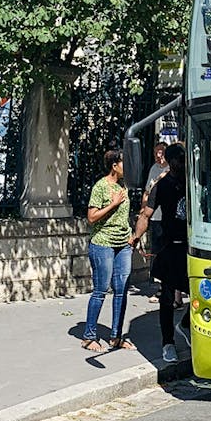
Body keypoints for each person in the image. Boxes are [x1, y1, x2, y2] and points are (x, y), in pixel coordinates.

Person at [132, 143, 190, 364]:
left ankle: (185, 324)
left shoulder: (193, 181)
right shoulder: (162, 186)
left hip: (191, 246)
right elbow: (146, 215)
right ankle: (168, 343)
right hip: (169, 246)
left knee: (201, 293)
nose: (183, 163)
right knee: (166, 297)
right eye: (180, 159)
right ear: (172, 161)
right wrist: (137, 236)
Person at [81, 149, 134, 352]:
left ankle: (116, 336)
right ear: (114, 166)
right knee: (101, 290)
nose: (127, 168)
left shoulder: (124, 186)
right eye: (124, 163)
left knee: (121, 291)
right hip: (103, 244)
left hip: (123, 244)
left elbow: (124, 215)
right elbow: (92, 217)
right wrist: (113, 204)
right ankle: (89, 336)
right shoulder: (101, 187)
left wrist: (131, 235)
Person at [141, 141, 169, 303]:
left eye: (161, 152)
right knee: (158, 253)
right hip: (156, 216)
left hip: (169, 217)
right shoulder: (153, 169)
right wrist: (143, 212)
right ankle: (161, 288)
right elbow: (147, 192)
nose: (158, 156)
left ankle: (170, 290)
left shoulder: (171, 169)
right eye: (156, 153)